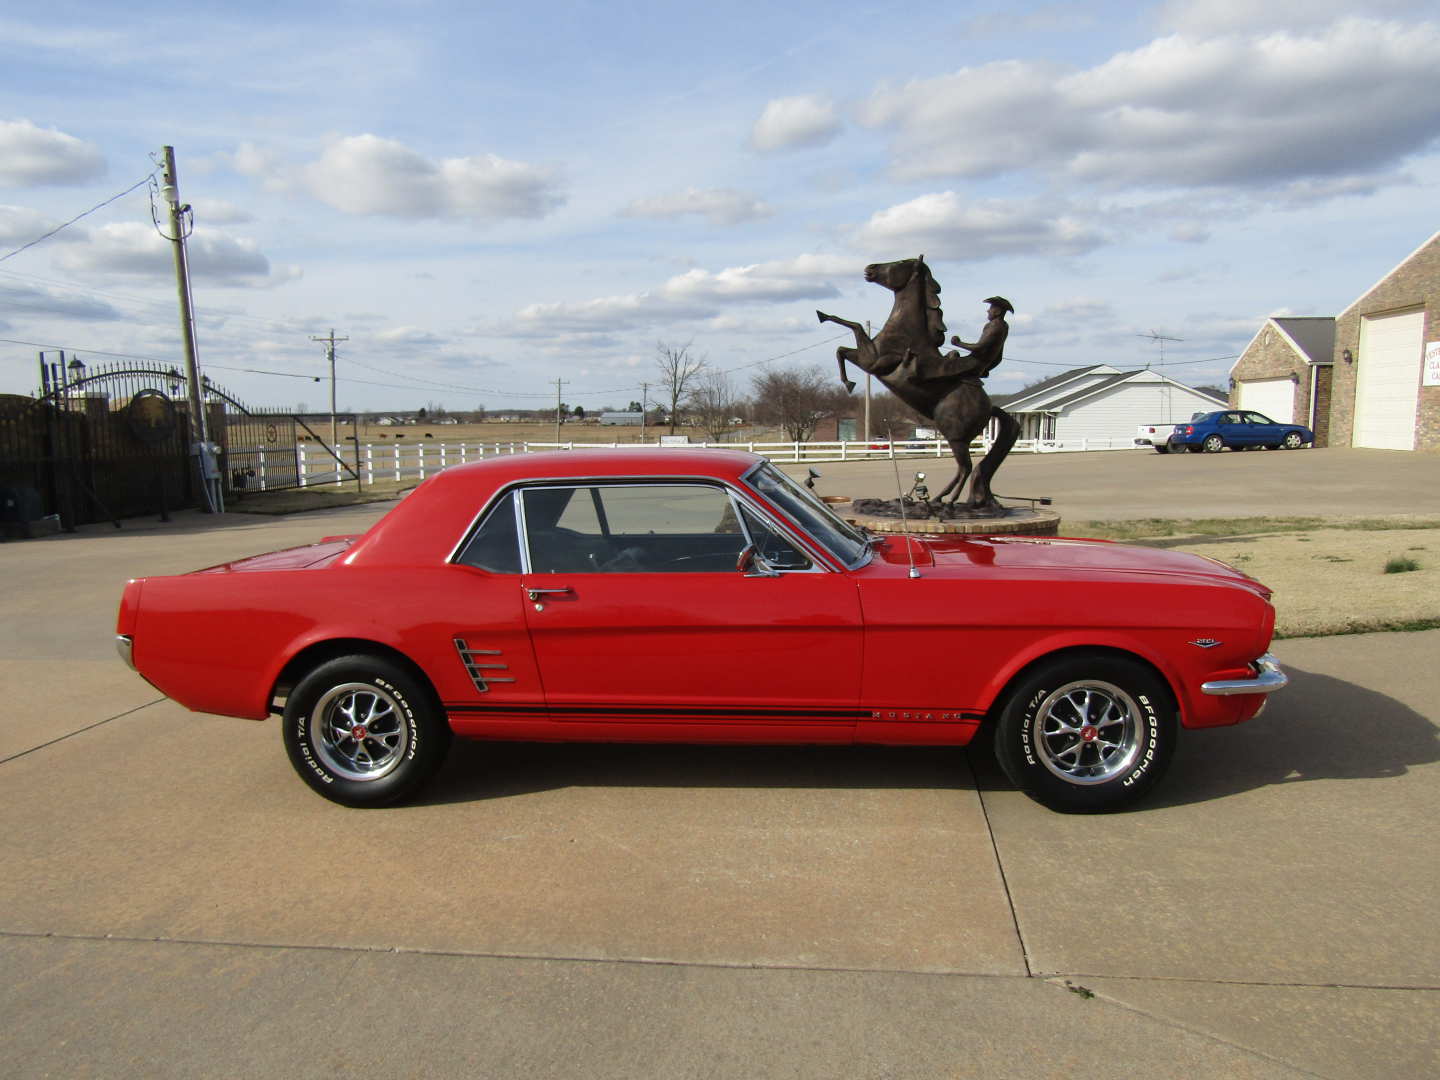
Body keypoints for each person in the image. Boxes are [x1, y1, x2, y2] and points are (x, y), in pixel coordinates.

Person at [922, 296, 1012, 380]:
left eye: (991, 308)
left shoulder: (994, 325)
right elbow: (999, 357)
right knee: (952, 355)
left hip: (974, 363)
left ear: (998, 311)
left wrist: (958, 343)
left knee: (942, 362)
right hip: (980, 364)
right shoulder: (1004, 326)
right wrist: (986, 367)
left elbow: (979, 348)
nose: (988, 311)